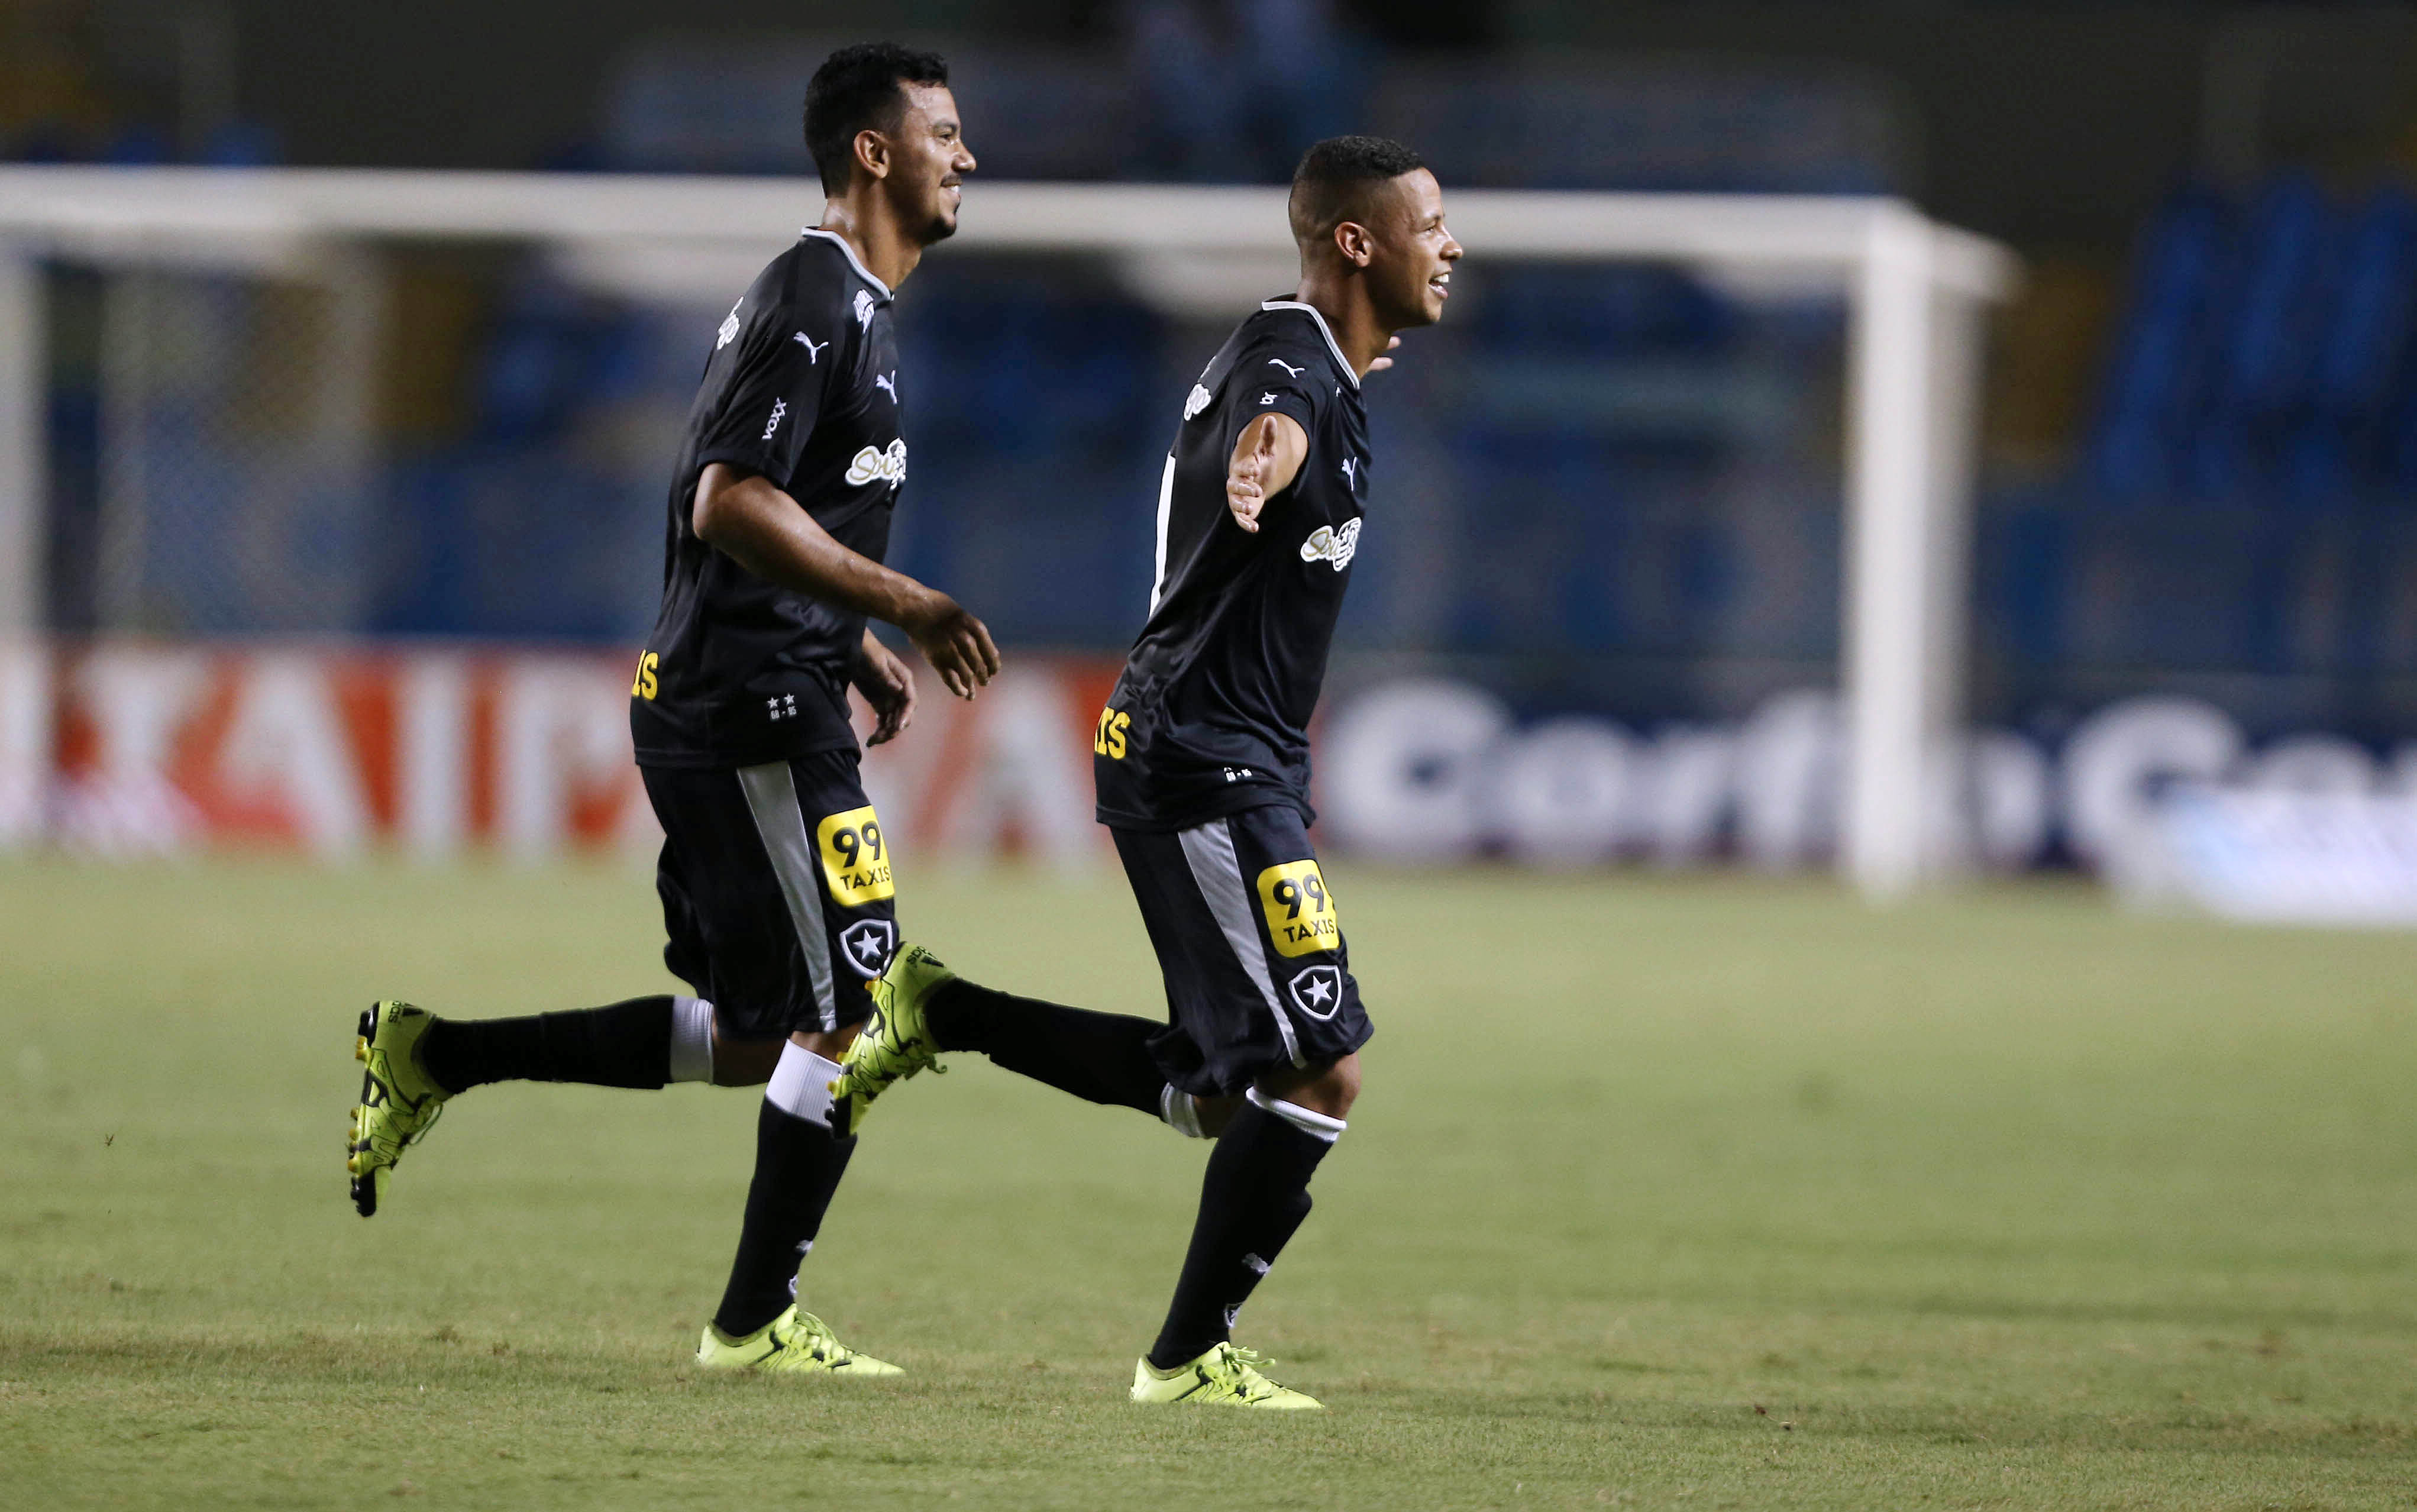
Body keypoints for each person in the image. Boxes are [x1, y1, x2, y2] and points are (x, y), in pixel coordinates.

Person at [344, 41, 1013, 1376]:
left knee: (771, 1025)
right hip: (746, 715)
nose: (967, 154)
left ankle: (431, 1058)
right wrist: (901, 601)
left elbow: (741, 506)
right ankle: (755, 1323)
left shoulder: (855, 306)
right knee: (861, 1005)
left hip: (766, 688)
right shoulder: (814, 292)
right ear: (873, 152)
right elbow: (727, 497)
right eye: (943, 132)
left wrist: (845, 636)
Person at [832, 135, 1462, 1409]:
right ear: (1358, 242)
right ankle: (1184, 1359)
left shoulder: (1325, 368)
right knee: (1321, 1062)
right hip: (1203, 763)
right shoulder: (1290, 364)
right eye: (1431, 223)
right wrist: (1262, 458)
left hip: (1223, 755)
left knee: (1215, 1086)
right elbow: (1266, 426)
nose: (1451, 247)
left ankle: (942, 1013)